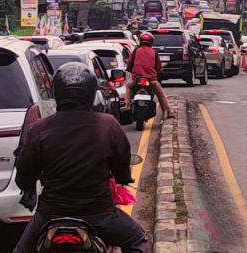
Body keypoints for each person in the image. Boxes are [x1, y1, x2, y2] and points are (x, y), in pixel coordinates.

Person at [13, 63, 148, 253]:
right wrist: (124, 178)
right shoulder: (108, 124)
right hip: (99, 214)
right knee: (137, 241)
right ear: (91, 93)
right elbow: (122, 168)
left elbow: (23, 177)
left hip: (50, 214)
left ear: (58, 92)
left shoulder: (39, 129)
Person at [124, 32, 174, 119]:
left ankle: (127, 105)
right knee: (160, 93)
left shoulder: (136, 51)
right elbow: (158, 68)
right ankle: (169, 112)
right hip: (152, 79)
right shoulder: (153, 52)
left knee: (128, 87)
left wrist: (130, 70)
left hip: (136, 78)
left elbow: (129, 64)